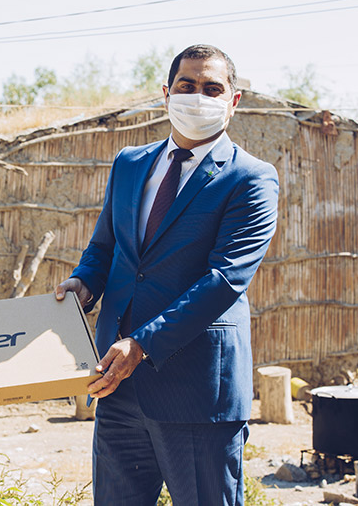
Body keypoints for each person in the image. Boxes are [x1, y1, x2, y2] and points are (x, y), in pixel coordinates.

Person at [55, 45, 279, 505]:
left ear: (233, 101)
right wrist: (84, 282)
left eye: (212, 89)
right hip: (116, 385)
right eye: (187, 85)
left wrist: (142, 344)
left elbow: (224, 280)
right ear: (166, 94)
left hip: (197, 392)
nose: (198, 96)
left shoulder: (251, 178)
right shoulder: (130, 164)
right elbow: (105, 248)